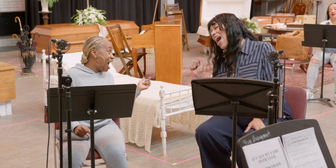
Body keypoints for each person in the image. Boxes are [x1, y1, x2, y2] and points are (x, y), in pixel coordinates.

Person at [190, 13, 293, 167]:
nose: (212, 34)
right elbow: (219, 96)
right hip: (237, 116)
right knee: (206, 132)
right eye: (211, 31)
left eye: (216, 28)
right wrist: (199, 75)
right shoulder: (222, 60)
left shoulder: (262, 48)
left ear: (232, 26)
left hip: (270, 114)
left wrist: (258, 118)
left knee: (247, 144)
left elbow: (274, 87)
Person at [61, 36, 151, 168]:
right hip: (79, 129)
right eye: (109, 52)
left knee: (117, 156)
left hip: (104, 126)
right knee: (70, 160)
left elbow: (114, 105)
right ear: (94, 53)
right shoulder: (70, 76)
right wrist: (75, 126)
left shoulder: (108, 77)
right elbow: (62, 107)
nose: (112, 56)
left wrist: (137, 90)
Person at [306, 3, 336, 103]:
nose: (332, 11)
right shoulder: (324, 24)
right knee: (314, 60)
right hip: (325, 51)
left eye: (335, 9)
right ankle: (309, 91)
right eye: (330, 10)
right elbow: (317, 40)